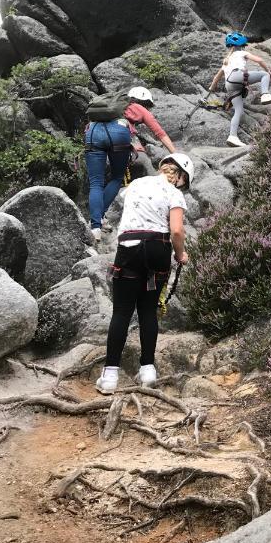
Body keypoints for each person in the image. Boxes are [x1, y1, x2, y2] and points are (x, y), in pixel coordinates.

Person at [95, 153, 194, 394]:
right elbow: (177, 231)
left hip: (129, 248)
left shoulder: (136, 184)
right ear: (181, 177)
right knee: (148, 310)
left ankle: (110, 377)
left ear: (163, 167)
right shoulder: (175, 193)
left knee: (121, 311)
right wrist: (180, 255)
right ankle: (148, 371)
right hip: (158, 249)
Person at [206, 32, 271, 148]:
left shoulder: (227, 60)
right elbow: (259, 60)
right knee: (264, 75)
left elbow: (216, 78)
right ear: (242, 45)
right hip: (237, 77)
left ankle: (232, 136)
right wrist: (269, 71)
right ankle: (265, 94)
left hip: (229, 85)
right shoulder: (242, 52)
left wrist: (211, 88)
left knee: (239, 111)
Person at [84, 112, 132, 243]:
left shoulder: (98, 113)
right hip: (119, 133)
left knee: (95, 183)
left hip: (93, 131)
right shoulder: (133, 109)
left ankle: (95, 228)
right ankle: (99, 217)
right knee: (117, 177)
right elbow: (158, 131)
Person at [125, 86, 177, 179]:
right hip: (116, 142)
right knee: (145, 161)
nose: (148, 109)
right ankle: (156, 181)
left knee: (96, 183)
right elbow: (160, 134)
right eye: (148, 105)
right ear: (144, 102)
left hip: (94, 140)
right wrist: (176, 155)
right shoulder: (140, 108)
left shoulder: (120, 106)